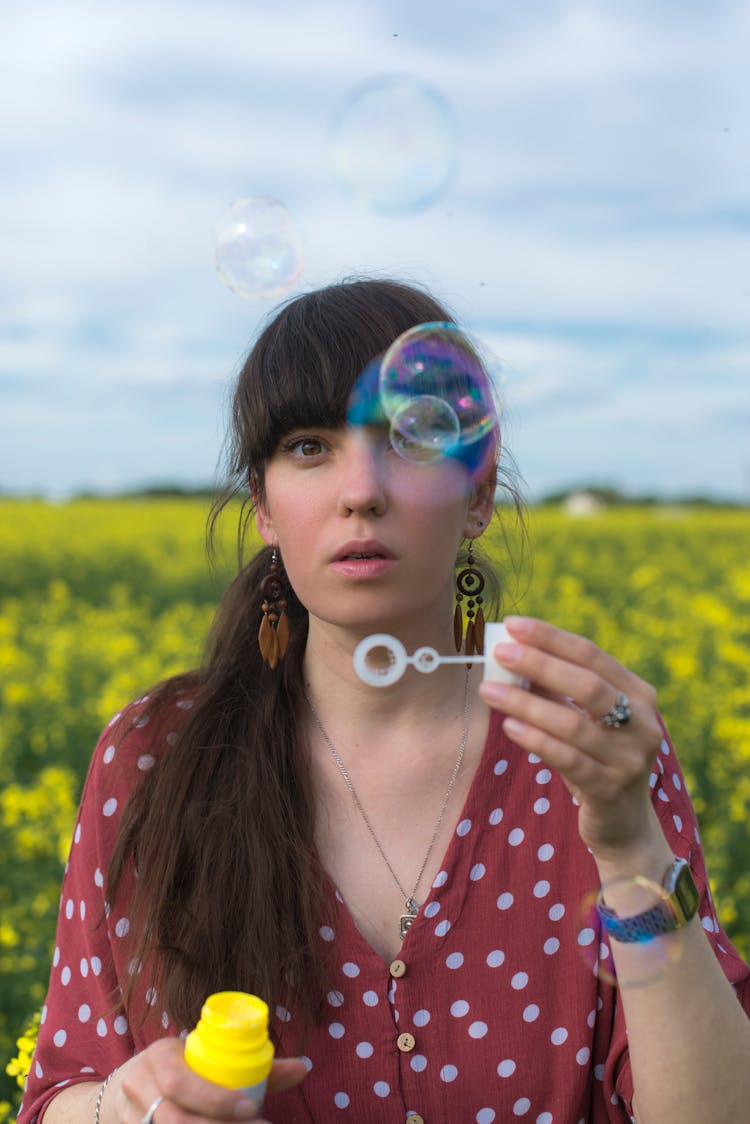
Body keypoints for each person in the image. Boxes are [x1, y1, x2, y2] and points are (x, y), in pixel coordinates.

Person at [19, 278, 750, 1124]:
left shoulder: (592, 749)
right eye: (307, 446)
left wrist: (628, 847)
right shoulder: (152, 755)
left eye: (408, 440)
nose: (360, 491)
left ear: (477, 496)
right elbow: (64, 1089)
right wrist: (123, 1109)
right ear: (262, 504)